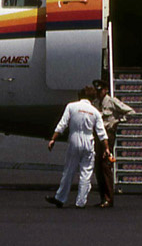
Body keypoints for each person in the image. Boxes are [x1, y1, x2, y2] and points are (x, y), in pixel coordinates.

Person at [46, 85, 109, 209]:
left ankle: (60, 198)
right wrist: (106, 148)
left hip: (74, 140)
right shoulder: (95, 112)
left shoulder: (71, 106)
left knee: (69, 170)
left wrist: (53, 138)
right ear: (93, 98)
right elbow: (102, 133)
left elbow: (62, 124)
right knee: (86, 172)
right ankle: (81, 202)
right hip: (88, 141)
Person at [90, 77, 135, 208]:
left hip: (108, 135)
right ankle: (103, 197)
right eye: (97, 91)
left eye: (101, 90)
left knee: (105, 165)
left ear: (106, 90)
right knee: (98, 167)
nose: (99, 93)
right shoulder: (96, 103)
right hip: (98, 136)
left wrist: (118, 121)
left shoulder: (112, 102)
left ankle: (109, 198)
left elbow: (131, 111)